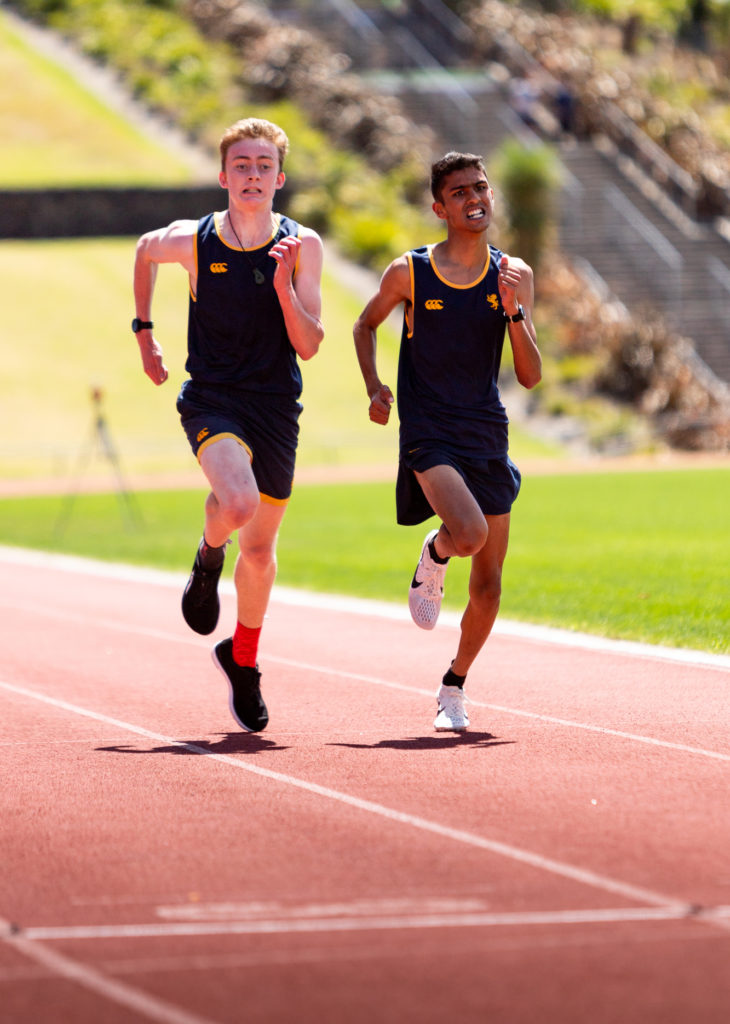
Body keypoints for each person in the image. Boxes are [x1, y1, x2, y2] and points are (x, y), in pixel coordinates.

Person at [133, 117, 324, 733]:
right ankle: (208, 555)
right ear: (223, 176)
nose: (252, 175)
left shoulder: (303, 246)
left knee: (263, 551)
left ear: (280, 178)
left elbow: (311, 344)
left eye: (263, 166)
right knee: (236, 502)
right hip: (212, 398)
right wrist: (145, 333)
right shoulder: (195, 240)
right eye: (241, 165)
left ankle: (242, 660)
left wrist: (283, 286)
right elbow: (143, 248)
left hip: (276, 406)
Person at [353, 151, 541, 732]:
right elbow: (364, 325)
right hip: (429, 431)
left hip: (486, 430)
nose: (473, 197)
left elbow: (531, 375)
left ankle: (453, 685)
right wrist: (376, 386)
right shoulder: (410, 272)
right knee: (468, 533)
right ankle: (435, 555)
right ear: (439, 207)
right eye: (458, 192)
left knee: (488, 587)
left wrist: (515, 314)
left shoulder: (515, 275)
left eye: (480, 187)